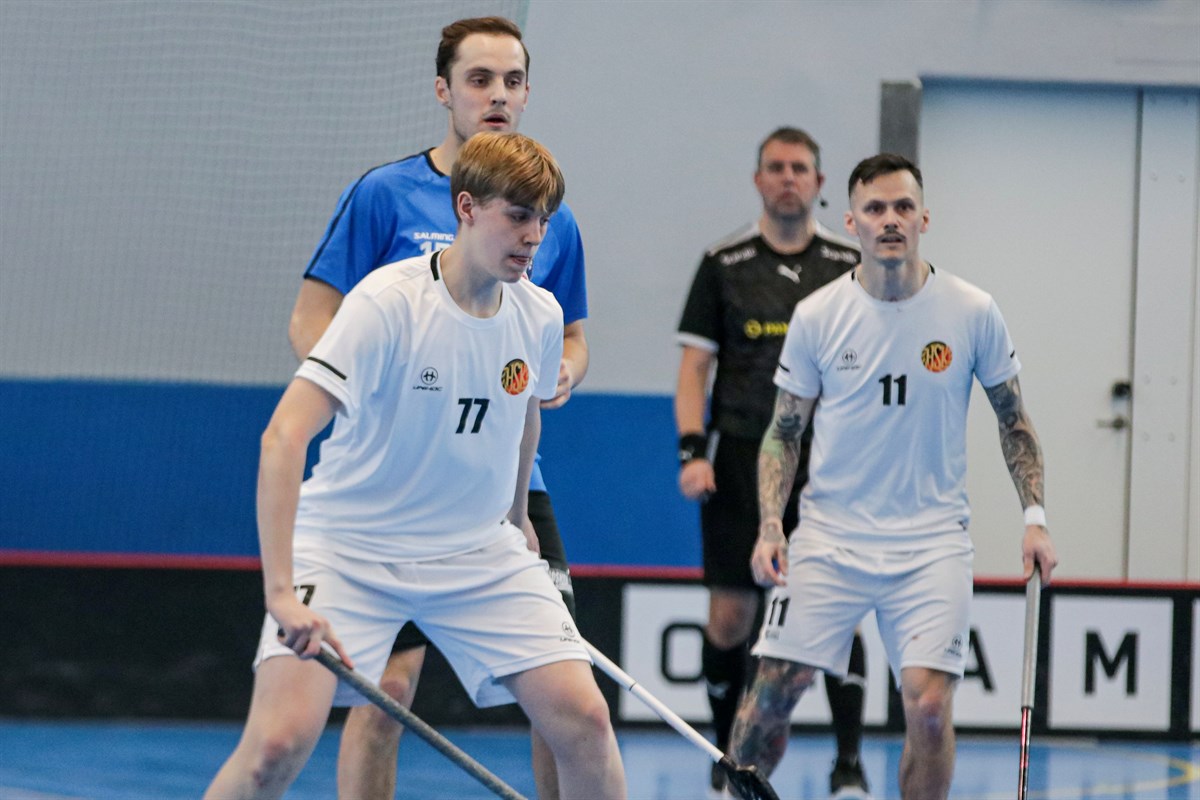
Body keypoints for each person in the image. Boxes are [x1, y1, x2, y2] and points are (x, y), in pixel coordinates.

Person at [203, 132, 627, 800]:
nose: (534, 236)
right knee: (275, 749)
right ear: (467, 207)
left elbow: (525, 417)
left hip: (477, 551)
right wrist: (280, 592)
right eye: (518, 215)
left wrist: (517, 516)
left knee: (586, 722)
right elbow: (282, 438)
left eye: (543, 220)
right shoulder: (386, 303)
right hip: (350, 550)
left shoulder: (540, 314)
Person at [286, 17, 588, 800]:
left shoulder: (549, 209)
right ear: (443, 91)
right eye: (479, 79)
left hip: (507, 482)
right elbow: (312, 320)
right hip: (399, 482)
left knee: (564, 697)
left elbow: (570, 336)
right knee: (386, 693)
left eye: (512, 80)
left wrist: (564, 371)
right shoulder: (383, 194)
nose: (497, 95)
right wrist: (370, 394)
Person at [727, 153, 1058, 800]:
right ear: (851, 221)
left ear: (924, 218)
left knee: (929, 708)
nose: (890, 220)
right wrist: (771, 525)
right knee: (770, 695)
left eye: (904, 207)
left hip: (932, 543)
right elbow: (784, 431)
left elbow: (1014, 420)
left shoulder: (972, 310)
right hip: (830, 536)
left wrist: (1035, 519)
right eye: (875, 208)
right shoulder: (818, 315)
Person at [675, 127, 872, 800]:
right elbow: (694, 368)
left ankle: (849, 763)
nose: (788, 178)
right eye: (776, 168)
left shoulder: (850, 265)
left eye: (800, 168)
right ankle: (727, 756)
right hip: (738, 458)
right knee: (730, 616)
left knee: (838, 609)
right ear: (758, 180)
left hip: (828, 462)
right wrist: (692, 452)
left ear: (820, 183)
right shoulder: (722, 263)